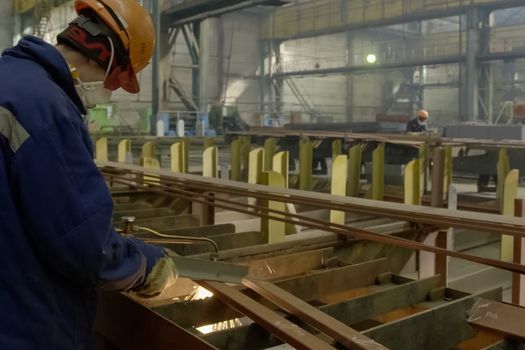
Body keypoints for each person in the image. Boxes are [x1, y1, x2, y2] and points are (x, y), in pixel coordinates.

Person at [0, 0, 177, 348]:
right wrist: (145, 263)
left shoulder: (10, 80)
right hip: (24, 326)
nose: (107, 94)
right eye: (116, 81)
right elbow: (86, 246)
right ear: (107, 56)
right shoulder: (47, 109)